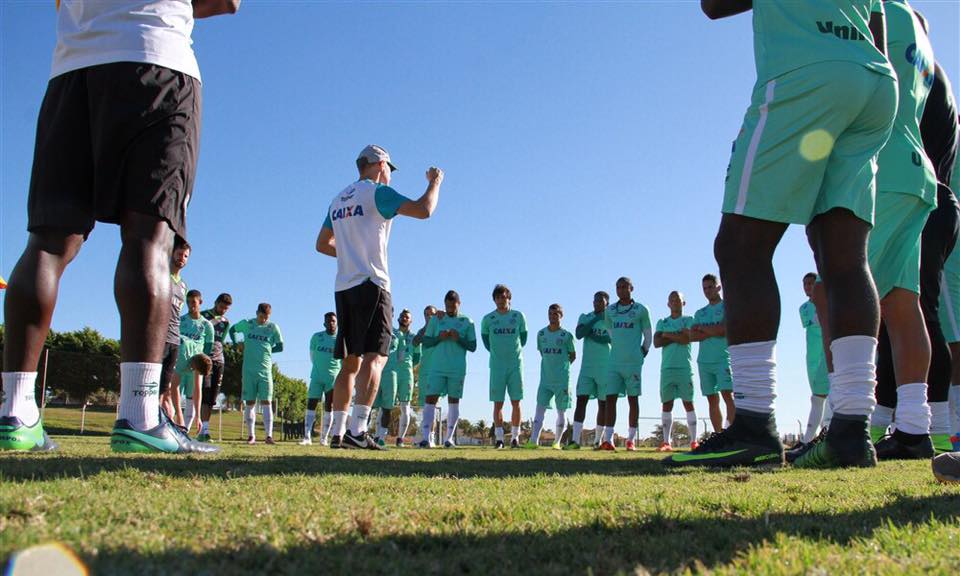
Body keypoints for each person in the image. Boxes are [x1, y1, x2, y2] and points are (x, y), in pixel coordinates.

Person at [1, 0, 239, 454]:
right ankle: (140, 416)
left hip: (73, 68)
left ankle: (15, 411)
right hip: (157, 59)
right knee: (151, 239)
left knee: (47, 242)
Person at [669, 1, 897, 469]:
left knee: (739, 247)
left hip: (807, 69)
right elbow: (877, 23)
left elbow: (713, 5)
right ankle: (852, 432)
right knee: (844, 258)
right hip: (872, 77)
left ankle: (754, 425)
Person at [315, 145, 443, 450]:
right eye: (389, 168)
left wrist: (349, 256)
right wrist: (435, 182)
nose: (389, 174)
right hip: (373, 284)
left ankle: (337, 433)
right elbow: (424, 210)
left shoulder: (338, 200)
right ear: (380, 163)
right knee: (377, 357)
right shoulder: (377, 193)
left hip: (344, 286)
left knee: (350, 362)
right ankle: (358, 431)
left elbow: (322, 244)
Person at [866, 0, 939, 461]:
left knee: (845, 290)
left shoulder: (881, 9)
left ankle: (845, 421)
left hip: (883, 163)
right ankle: (914, 426)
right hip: (916, 168)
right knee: (901, 302)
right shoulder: (920, 26)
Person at [419, 290, 476, 448]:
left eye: (453, 305)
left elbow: (473, 346)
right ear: (444, 304)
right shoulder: (437, 319)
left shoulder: (467, 322)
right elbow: (427, 342)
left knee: (453, 401)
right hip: (437, 367)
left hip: (457, 368)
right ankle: (426, 438)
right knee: (430, 399)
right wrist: (439, 337)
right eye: (448, 305)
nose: (450, 308)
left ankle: (449, 439)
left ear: (459, 304)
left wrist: (459, 339)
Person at [600, 277, 651, 451]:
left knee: (633, 399)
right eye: (618, 287)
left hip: (633, 363)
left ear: (631, 288)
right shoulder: (610, 310)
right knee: (610, 398)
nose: (621, 290)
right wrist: (620, 347)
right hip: (614, 362)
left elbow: (648, 334)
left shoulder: (641, 310)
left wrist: (642, 352)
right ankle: (608, 439)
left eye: (624, 287)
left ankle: (630, 439)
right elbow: (610, 332)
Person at [786, 273, 832, 462]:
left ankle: (811, 438)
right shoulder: (804, 308)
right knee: (817, 396)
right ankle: (811, 438)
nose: (808, 287)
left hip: (826, 352)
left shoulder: (829, 303)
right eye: (805, 284)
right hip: (811, 357)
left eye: (811, 284)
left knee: (824, 396)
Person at [481, 284, 528, 449]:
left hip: (515, 364)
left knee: (516, 401)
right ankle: (499, 439)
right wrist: (497, 353)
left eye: (504, 297)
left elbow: (523, 338)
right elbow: (486, 341)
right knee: (497, 403)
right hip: (497, 365)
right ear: (494, 300)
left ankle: (515, 437)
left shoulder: (518, 316)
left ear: (509, 298)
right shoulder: (488, 319)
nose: (501, 300)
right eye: (498, 297)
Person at [230, 303, 284, 445]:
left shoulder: (273, 328)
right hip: (248, 370)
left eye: (266, 317)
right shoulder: (248, 324)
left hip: (265, 370)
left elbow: (280, 346)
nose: (264, 320)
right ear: (256, 313)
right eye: (261, 317)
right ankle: (251, 436)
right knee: (250, 402)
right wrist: (236, 345)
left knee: (267, 401)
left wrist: (268, 350)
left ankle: (269, 436)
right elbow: (232, 330)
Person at [654, 291, 698, 452]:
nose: (674, 302)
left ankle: (694, 440)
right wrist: (676, 335)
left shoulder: (689, 320)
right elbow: (657, 342)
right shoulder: (662, 321)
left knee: (688, 403)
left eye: (678, 299)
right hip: (667, 368)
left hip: (684, 367)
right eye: (672, 300)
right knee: (667, 404)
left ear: (683, 303)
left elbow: (686, 338)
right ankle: (666, 442)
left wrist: (667, 334)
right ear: (668, 304)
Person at [690, 274, 734, 433]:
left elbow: (723, 330)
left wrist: (702, 329)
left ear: (718, 287)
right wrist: (712, 331)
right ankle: (718, 435)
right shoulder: (700, 313)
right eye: (704, 288)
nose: (707, 291)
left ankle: (731, 433)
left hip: (723, 358)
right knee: (712, 399)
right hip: (704, 361)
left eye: (710, 287)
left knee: (728, 396)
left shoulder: (727, 306)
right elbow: (692, 336)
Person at [528, 304, 576, 449]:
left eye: (555, 314)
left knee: (561, 410)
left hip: (562, 380)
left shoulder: (566, 335)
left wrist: (561, 368)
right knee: (539, 408)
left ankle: (557, 442)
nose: (552, 316)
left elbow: (572, 356)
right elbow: (542, 353)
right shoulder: (541, 334)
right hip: (545, 379)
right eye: (550, 313)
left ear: (561, 316)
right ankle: (533, 441)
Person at [569, 291, 612, 450]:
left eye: (601, 301)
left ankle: (598, 441)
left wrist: (592, 334)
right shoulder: (585, 317)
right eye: (595, 300)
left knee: (604, 404)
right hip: (587, 368)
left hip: (605, 367)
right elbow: (579, 334)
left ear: (607, 303)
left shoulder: (611, 319)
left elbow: (610, 339)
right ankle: (575, 441)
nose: (597, 303)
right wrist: (595, 320)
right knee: (581, 401)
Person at [174, 289, 214, 432]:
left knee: (193, 396)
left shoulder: (206, 325)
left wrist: (199, 416)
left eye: (194, 302)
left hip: (196, 365)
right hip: (181, 361)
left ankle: (184, 430)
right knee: (174, 393)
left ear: (200, 302)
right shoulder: (181, 321)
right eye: (189, 302)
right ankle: (174, 424)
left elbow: (208, 349)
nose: (191, 305)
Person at [161, 239, 190, 425]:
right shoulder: (162, 275)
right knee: (153, 385)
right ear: (172, 253)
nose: (182, 258)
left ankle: (169, 424)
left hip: (174, 339)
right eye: (179, 253)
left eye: (186, 256)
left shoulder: (183, 286)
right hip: (159, 337)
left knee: (166, 387)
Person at [302, 312, 340, 446]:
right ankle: (307, 437)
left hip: (333, 378)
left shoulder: (340, 339)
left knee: (329, 406)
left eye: (333, 321)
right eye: (328, 321)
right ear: (324, 323)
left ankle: (324, 438)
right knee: (311, 403)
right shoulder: (316, 337)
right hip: (317, 376)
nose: (331, 323)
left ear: (337, 322)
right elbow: (312, 357)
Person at [199, 293, 232, 442]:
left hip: (219, 361)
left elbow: (220, 340)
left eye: (226, 309)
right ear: (215, 303)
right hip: (205, 360)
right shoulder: (203, 315)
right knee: (203, 394)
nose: (223, 311)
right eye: (221, 307)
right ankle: (200, 429)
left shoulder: (226, 322)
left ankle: (205, 429)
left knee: (212, 397)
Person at [372, 320, 401, 446]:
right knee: (369, 406)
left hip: (390, 374)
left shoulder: (397, 334)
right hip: (375, 370)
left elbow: (400, 355)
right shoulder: (373, 328)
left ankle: (381, 437)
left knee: (387, 407)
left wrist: (391, 366)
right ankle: (360, 432)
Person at [412, 306, 439, 444]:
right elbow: (415, 341)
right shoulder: (421, 331)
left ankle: (431, 436)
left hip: (437, 370)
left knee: (433, 404)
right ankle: (423, 434)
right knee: (424, 405)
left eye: (432, 314)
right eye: (427, 315)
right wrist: (425, 328)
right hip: (424, 371)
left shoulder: (440, 328)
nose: (429, 317)